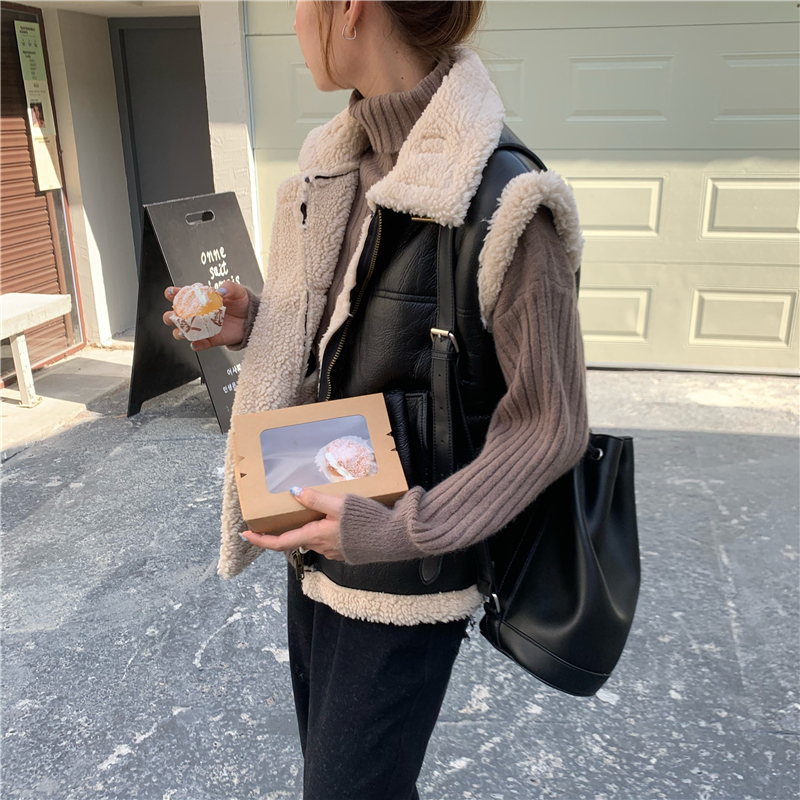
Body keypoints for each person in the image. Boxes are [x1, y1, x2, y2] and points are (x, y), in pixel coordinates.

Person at [163, 2, 589, 797]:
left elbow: (552, 423)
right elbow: (358, 339)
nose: (295, 21)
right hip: (318, 536)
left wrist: (400, 529)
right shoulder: (332, 170)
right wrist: (257, 323)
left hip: (407, 570)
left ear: (351, 8)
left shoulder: (506, 198)